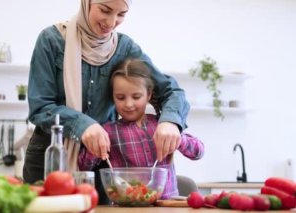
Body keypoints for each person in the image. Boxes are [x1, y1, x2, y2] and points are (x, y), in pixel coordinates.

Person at [24, 0, 190, 202]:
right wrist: (83, 125)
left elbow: (171, 90)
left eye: (121, 14)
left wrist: (170, 122)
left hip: (101, 164)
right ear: (87, 3)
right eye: (105, 10)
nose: (112, 22)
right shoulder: (51, 40)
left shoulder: (124, 47)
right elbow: (40, 106)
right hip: (50, 157)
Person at [78, 58, 204, 199]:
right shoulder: (107, 131)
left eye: (136, 96)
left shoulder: (162, 125)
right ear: (112, 98)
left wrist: (179, 139)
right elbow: (82, 166)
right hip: (128, 206)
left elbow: (198, 152)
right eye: (120, 97)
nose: (129, 104)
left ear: (148, 94)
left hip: (167, 207)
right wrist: (94, 148)